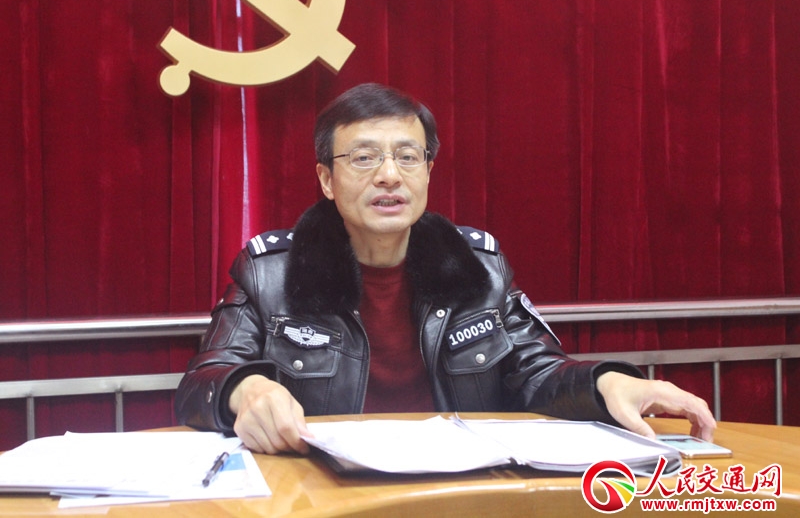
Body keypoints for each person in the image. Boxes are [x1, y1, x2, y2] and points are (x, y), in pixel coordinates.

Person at [175, 83, 716, 455]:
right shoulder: (270, 272)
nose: (390, 175)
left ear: (428, 172)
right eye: (364, 157)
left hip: (457, 488)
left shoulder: (478, 265)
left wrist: (607, 383)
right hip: (325, 492)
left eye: (408, 157)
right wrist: (243, 390)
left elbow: (537, 372)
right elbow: (200, 383)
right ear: (326, 179)